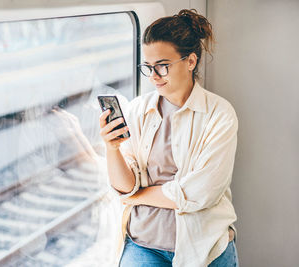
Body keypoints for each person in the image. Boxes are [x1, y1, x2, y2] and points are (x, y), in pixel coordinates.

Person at [99, 9, 239, 267]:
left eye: (162, 66)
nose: (153, 76)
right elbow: (126, 185)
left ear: (190, 61)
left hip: (205, 247)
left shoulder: (219, 114)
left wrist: (137, 197)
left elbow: (200, 193)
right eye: (148, 67)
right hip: (145, 246)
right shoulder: (137, 110)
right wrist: (112, 149)